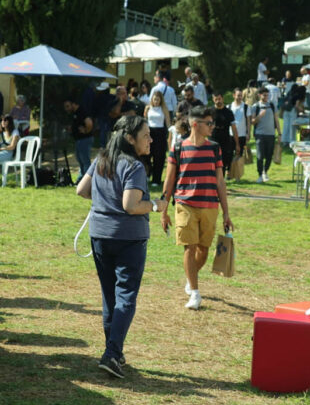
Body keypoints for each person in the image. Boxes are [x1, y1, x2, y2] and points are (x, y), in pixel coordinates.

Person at [76, 113, 154, 377]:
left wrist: (103, 197)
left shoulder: (101, 160)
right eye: (146, 135)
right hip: (128, 238)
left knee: (110, 297)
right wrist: (156, 205)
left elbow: (82, 190)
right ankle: (112, 353)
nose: (150, 140)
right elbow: (131, 206)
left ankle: (114, 352)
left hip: (100, 235)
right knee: (125, 296)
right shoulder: (134, 166)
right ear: (130, 139)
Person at [161, 109, 230, 310]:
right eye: (208, 123)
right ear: (195, 124)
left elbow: (220, 182)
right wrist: (164, 210)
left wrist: (226, 213)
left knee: (204, 249)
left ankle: (191, 278)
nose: (212, 126)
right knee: (189, 247)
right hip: (185, 205)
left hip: (210, 206)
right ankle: (195, 292)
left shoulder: (215, 148)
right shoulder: (178, 148)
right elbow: (170, 179)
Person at [251, 87, 280, 184]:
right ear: (259, 95)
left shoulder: (272, 105)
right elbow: (253, 122)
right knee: (259, 156)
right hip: (260, 134)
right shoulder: (256, 106)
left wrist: (279, 133)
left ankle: (265, 172)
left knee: (269, 156)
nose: (266, 97)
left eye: (267, 95)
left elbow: (276, 120)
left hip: (271, 134)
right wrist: (259, 116)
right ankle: (259, 175)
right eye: (264, 95)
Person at [144, 88, 170, 185]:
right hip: (150, 132)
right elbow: (145, 120)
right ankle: (147, 174)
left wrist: (170, 133)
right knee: (146, 155)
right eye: (154, 99)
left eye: (158, 99)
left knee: (158, 157)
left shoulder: (164, 109)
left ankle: (156, 179)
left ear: (161, 100)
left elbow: (168, 123)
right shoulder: (147, 108)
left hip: (160, 133)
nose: (156, 101)